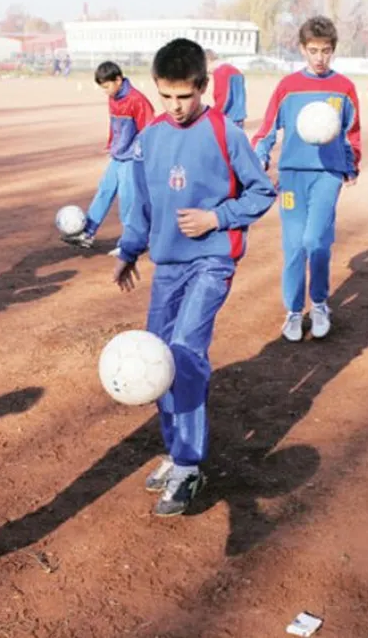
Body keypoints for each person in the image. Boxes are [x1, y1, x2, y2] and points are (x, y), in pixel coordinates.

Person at [112, 38, 275, 516]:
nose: (175, 106)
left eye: (184, 96)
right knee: (158, 359)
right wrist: (129, 250)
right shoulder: (149, 140)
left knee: (184, 352)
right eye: (166, 95)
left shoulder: (226, 133)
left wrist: (216, 218)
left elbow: (262, 192)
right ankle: (173, 448)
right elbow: (142, 207)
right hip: (168, 265)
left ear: (202, 86)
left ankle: (188, 463)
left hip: (212, 260)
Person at [251, 16, 361, 342]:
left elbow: (352, 132)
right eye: (313, 50)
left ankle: (320, 304)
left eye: (326, 51)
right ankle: (294, 311)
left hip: (327, 175)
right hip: (291, 175)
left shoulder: (344, 88)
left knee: (316, 241)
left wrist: (351, 164)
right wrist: (260, 157)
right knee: (294, 245)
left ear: (333, 50)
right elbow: (267, 128)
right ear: (302, 49)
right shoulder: (288, 87)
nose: (319, 58)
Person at [63, 61, 155, 250]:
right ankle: (88, 232)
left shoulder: (137, 100)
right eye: (102, 87)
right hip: (117, 156)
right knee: (104, 190)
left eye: (106, 86)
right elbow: (114, 125)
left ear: (118, 80)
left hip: (132, 159)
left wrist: (143, 157)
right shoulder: (113, 98)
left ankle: (129, 242)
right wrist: (112, 145)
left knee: (127, 199)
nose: (105, 91)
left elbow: (149, 131)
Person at [205, 49, 247, 128]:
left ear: (208, 61)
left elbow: (223, 99)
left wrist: (213, 115)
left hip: (228, 118)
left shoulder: (221, 71)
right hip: (238, 116)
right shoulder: (234, 69)